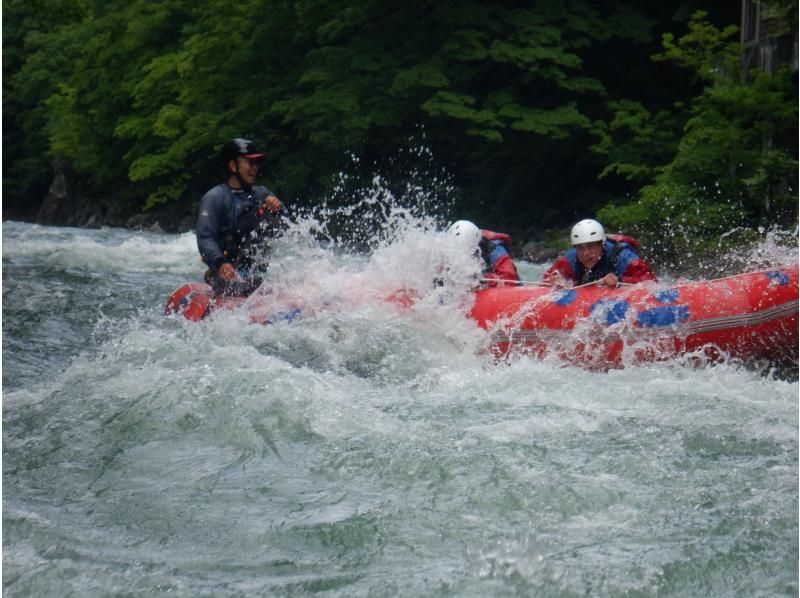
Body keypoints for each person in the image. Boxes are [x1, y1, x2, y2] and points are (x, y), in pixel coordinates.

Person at [196, 138, 286, 297]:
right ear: (233, 166)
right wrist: (220, 263)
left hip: (259, 275)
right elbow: (205, 237)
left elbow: (288, 225)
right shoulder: (215, 197)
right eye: (250, 163)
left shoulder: (262, 194)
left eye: (257, 163)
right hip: (228, 275)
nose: (255, 168)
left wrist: (278, 209)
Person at [543, 219, 656, 288]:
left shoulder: (624, 257)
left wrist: (620, 281)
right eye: (580, 248)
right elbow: (545, 280)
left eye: (591, 246)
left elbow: (651, 283)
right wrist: (558, 282)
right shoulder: (570, 259)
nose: (586, 253)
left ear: (601, 245)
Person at [448, 220, 520, 286]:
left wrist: (484, 280)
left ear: (477, 245)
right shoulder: (451, 249)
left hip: (510, 288)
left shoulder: (496, 250)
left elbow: (509, 279)